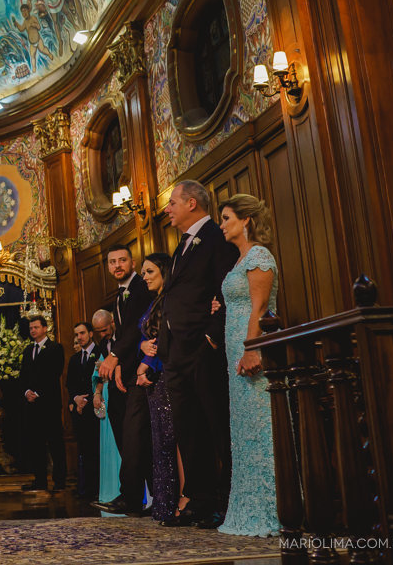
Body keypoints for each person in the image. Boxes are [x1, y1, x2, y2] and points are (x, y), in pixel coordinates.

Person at [159, 180, 238, 529]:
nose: (167, 208)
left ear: (191, 203)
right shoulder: (182, 246)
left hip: (202, 348)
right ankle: (199, 500)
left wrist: (212, 335)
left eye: (172, 202)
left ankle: (224, 499)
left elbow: (228, 287)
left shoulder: (216, 239)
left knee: (214, 423)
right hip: (176, 351)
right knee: (188, 428)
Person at [216, 195, 280, 537]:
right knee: (244, 432)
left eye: (226, 218)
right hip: (234, 357)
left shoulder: (258, 256)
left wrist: (252, 349)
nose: (222, 224)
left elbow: (259, 308)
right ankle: (247, 506)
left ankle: (270, 508)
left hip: (251, 353)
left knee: (261, 427)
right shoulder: (240, 259)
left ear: (246, 221)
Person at [95, 245, 154, 515]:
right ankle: (135, 496)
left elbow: (134, 331)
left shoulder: (140, 288)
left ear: (133, 262)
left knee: (134, 437)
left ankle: (133, 498)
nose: (117, 265)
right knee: (126, 434)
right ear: (107, 267)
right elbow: (122, 335)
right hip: (125, 372)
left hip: (143, 371)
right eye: (112, 261)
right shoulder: (120, 295)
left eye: (122, 260)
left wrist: (114, 358)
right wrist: (117, 364)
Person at [136, 252, 181, 523]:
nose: (145, 277)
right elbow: (146, 338)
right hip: (153, 380)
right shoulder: (154, 302)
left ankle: (177, 501)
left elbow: (165, 340)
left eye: (150, 272)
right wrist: (141, 352)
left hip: (164, 377)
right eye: (143, 273)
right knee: (160, 441)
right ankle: (164, 503)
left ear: (164, 271)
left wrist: (148, 368)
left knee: (171, 439)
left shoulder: (171, 302)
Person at [18, 315, 66, 493]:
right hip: (31, 405)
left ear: (45, 328)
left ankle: (59, 481)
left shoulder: (55, 348)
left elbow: (54, 374)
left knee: (55, 443)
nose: (33, 331)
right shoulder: (28, 350)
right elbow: (23, 375)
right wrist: (26, 392)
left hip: (49, 404)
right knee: (35, 444)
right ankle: (40, 481)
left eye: (36, 327)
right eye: (31, 328)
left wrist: (38, 393)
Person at [90, 313, 122, 510]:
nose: (103, 334)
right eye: (99, 331)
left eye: (105, 329)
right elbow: (98, 374)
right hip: (107, 396)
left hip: (122, 389)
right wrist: (97, 392)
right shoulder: (104, 345)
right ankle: (109, 492)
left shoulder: (122, 340)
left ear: (112, 322)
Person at [67, 322, 100, 500]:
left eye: (82, 333)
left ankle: (97, 489)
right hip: (79, 411)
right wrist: (75, 399)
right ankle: (86, 489)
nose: (79, 337)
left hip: (95, 408)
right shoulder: (74, 358)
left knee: (96, 449)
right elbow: (69, 384)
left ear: (91, 333)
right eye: (77, 334)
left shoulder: (100, 353)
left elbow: (98, 379)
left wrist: (85, 399)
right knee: (84, 450)